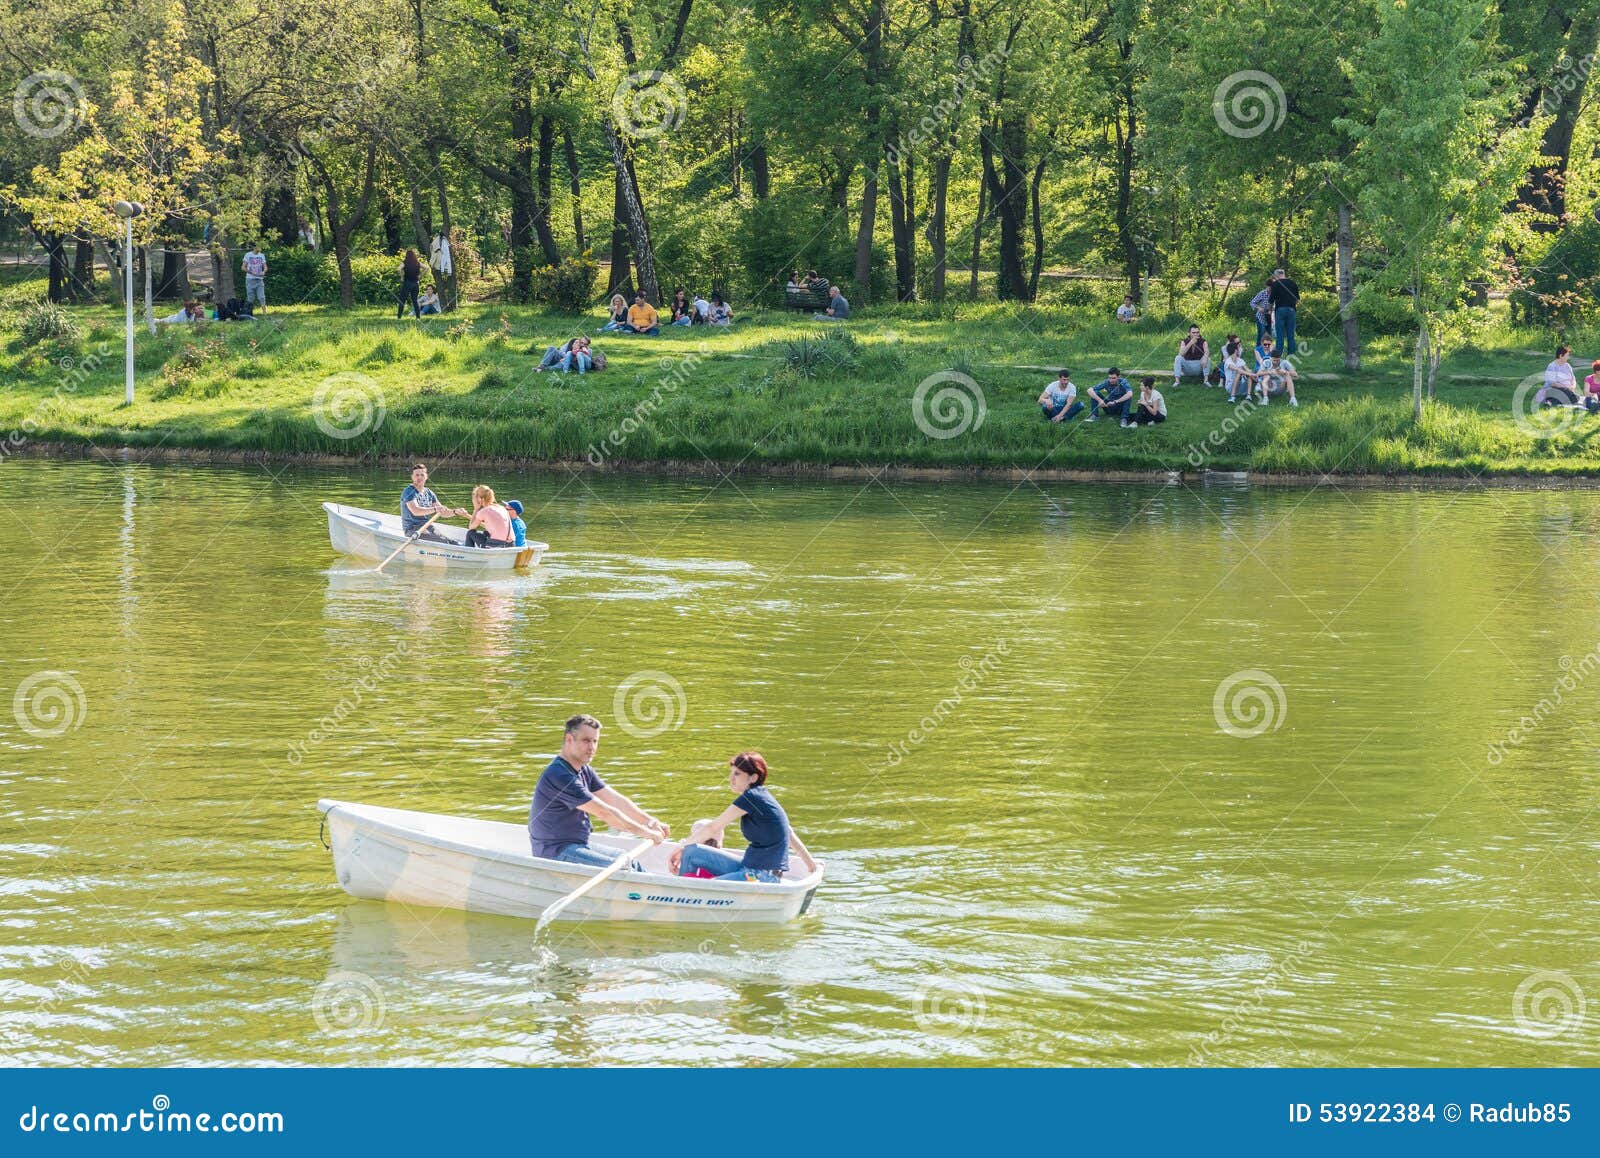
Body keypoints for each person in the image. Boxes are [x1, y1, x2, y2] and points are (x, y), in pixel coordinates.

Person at [528, 715, 670, 868]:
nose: (592, 747)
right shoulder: (560, 775)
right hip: (555, 852)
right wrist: (646, 833)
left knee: (631, 862)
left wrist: (650, 822)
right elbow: (605, 813)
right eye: (586, 740)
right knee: (624, 867)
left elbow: (616, 800)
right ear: (569, 739)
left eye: (595, 741)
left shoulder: (584, 770)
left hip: (578, 844)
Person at [669, 752, 818, 883]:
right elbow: (789, 833)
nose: (731, 778)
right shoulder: (761, 796)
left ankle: (687, 891)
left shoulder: (751, 798)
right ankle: (687, 885)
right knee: (692, 851)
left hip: (759, 876)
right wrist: (811, 865)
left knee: (691, 858)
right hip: (748, 867)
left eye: (737, 774)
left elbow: (713, 827)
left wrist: (679, 847)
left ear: (753, 777)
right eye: (731, 772)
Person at [401, 464, 467, 541]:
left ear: (426, 477)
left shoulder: (429, 493)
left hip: (428, 526)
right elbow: (416, 511)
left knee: (450, 541)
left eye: (422, 475)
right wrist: (435, 509)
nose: (419, 477)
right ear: (412, 477)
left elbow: (443, 512)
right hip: (412, 529)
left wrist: (455, 511)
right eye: (417, 475)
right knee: (442, 541)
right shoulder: (408, 491)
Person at [1269, 266, 1299, 355]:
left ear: (1276, 276)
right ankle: (1291, 353)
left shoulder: (1275, 284)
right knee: (1291, 334)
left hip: (1280, 310)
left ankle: (1278, 354)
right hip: (1291, 310)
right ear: (1283, 274)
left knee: (1280, 334)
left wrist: (1270, 310)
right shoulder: (1293, 283)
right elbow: (1297, 299)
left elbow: (1271, 300)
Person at [1223, 339, 1257, 404]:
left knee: (1249, 372)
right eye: (1238, 348)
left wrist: (1254, 376)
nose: (1239, 350)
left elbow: (1248, 370)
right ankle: (1232, 397)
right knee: (1239, 372)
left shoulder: (1240, 360)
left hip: (1241, 387)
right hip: (1230, 387)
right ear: (1236, 350)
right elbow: (1238, 370)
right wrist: (1252, 375)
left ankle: (1248, 395)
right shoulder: (1228, 361)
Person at [242, 243, 267, 313]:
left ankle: (264, 312)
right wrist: (251, 272)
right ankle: (249, 312)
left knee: (262, 297)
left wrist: (264, 272)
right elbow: (243, 267)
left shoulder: (262, 255)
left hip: (259, 280)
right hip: (250, 280)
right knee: (250, 298)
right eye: (259, 246)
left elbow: (265, 267)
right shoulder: (248, 255)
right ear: (254, 247)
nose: (260, 248)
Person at [398, 248, 423, 319]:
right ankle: (418, 317)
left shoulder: (405, 262)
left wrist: (402, 277)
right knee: (415, 300)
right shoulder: (417, 263)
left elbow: (398, 269)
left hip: (407, 283)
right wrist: (421, 276)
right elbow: (426, 268)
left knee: (402, 300)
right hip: (416, 284)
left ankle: (399, 317)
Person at [1249, 277, 1274, 346]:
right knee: (1261, 334)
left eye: (1272, 288)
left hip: (1270, 316)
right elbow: (1252, 302)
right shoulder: (1262, 293)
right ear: (1266, 286)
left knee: (1269, 335)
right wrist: (1259, 308)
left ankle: (1269, 351)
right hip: (1261, 316)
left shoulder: (1274, 294)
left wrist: (1272, 310)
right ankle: (1258, 350)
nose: (1270, 289)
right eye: (1269, 287)